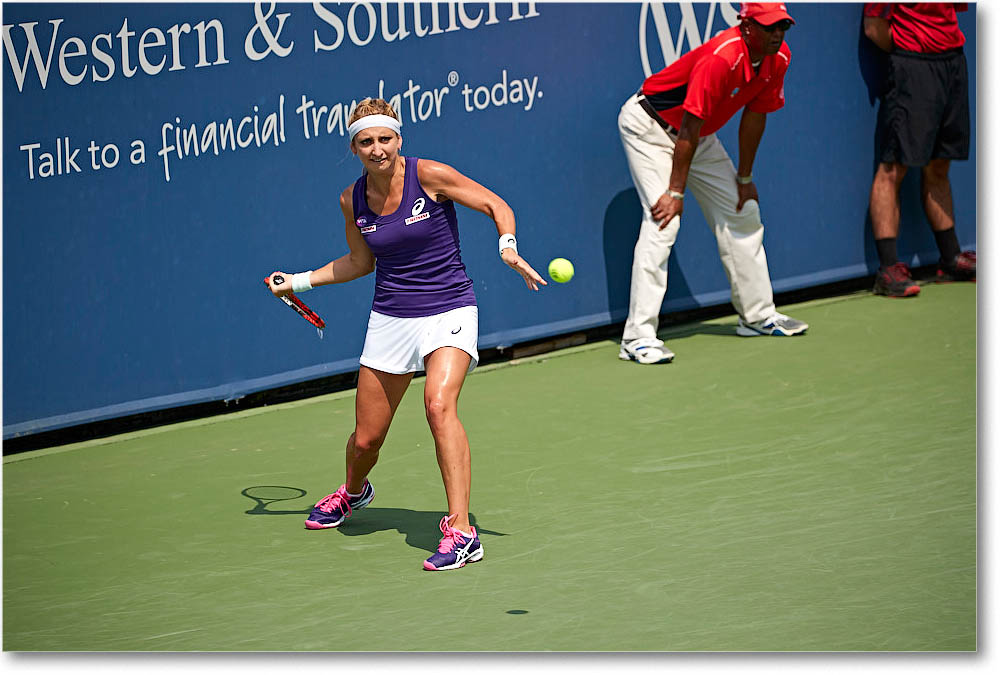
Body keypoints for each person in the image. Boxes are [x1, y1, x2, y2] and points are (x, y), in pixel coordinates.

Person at [267, 98, 545, 571]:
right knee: (365, 440)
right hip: (391, 319)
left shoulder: (430, 174)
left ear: (399, 139)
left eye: (385, 139)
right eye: (366, 142)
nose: (377, 149)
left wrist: (508, 246)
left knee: (438, 405)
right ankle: (354, 492)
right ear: (354, 148)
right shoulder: (351, 199)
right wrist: (298, 281)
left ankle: (461, 532)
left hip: (450, 308)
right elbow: (360, 262)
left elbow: (495, 204)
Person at [617, 2, 808, 365]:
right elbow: (688, 126)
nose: (778, 34)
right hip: (650, 129)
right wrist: (675, 192)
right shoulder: (722, 57)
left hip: (698, 139)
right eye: (769, 27)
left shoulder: (778, 57)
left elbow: (756, 115)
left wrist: (745, 177)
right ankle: (637, 337)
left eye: (783, 26)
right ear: (747, 26)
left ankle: (757, 316)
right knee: (663, 220)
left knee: (742, 209)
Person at [863, 3, 975, 297]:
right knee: (893, 167)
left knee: (940, 163)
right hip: (912, 66)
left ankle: (951, 259)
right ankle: (888, 268)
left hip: (952, 63)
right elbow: (874, 28)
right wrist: (912, 51)